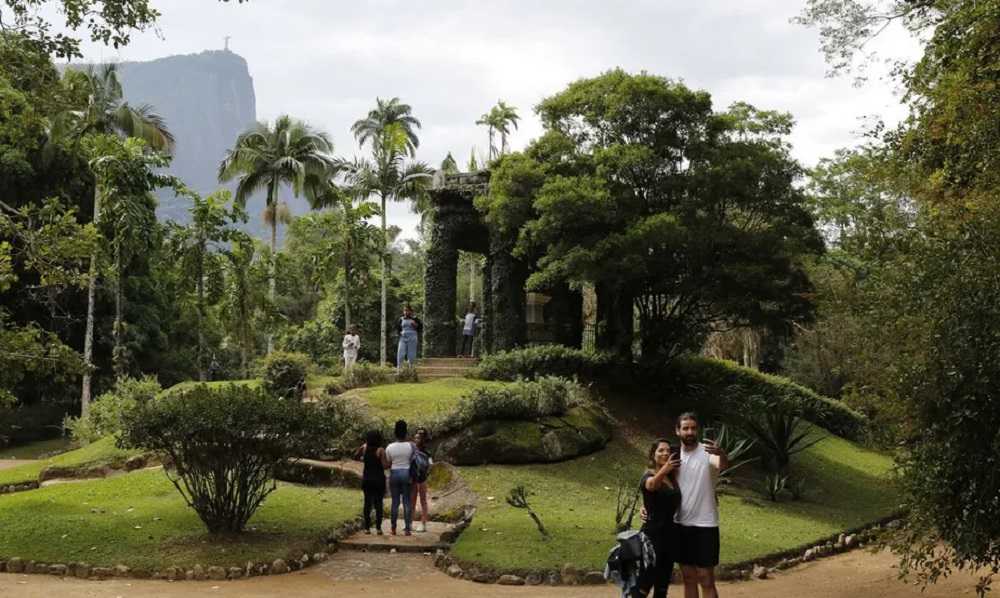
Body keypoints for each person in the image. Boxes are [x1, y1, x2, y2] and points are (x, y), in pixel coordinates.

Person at [674, 413, 729, 598]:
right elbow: (658, 484)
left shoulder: (708, 452)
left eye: (693, 428)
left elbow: (722, 465)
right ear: (677, 431)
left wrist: (720, 453)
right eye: (686, 428)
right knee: (688, 578)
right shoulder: (673, 456)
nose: (690, 432)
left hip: (706, 524)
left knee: (706, 578)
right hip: (681, 524)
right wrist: (646, 508)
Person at [638, 438, 682, 598]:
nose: (665, 453)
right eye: (661, 450)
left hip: (669, 534)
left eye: (668, 451)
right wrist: (663, 469)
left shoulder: (673, 479)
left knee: (663, 584)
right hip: (652, 535)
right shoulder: (648, 475)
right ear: (653, 455)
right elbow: (651, 486)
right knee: (645, 582)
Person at [384, 419, 414, 535]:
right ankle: (407, 529)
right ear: (406, 432)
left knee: (395, 503)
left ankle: (393, 528)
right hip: (406, 473)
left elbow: (388, 462)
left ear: (395, 432)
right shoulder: (410, 446)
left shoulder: (390, 447)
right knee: (407, 502)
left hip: (395, 474)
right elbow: (413, 461)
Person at [353, 429, 386, 535]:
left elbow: (355, 456)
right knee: (378, 504)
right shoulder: (380, 450)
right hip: (379, 480)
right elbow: (384, 465)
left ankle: (367, 528)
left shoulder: (364, 448)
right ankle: (378, 528)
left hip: (367, 478)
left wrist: (362, 453)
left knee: (367, 503)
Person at [409, 428, 433, 532]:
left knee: (423, 501)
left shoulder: (427, 452)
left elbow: (431, 464)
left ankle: (423, 523)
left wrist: (427, 469)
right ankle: (409, 522)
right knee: (411, 501)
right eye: (415, 438)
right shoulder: (412, 450)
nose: (416, 440)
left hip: (422, 479)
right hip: (413, 478)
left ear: (423, 439)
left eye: (418, 438)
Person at [396, 305, 423, 373]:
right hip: (403, 337)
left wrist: (415, 325)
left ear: (410, 311)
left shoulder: (415, 318)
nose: (406, 312)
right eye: (404, 310)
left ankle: (411, 370)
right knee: (400, 353)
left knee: (411, 355)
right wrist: (399, 334)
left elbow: (420, 328)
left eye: (407, 310)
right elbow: (397, 329)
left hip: (412, 337)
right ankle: (399, 370)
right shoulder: (401, 319)